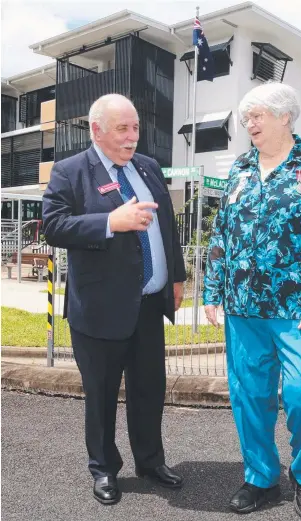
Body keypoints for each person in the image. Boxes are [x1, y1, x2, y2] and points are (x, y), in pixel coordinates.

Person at [204, 82, 301, 519]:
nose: (250, 124)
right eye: (246, 118)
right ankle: (261, 477)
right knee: (249, 396)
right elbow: (221, 231)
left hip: (298, 311)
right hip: (244, 309)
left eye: (257, 116)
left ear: (285, 117)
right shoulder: (241, 167)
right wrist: (212, 290)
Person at [42, 94, 186, 505]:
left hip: (147, 306)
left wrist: (175, 277)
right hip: (100, 311)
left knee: (149, 389)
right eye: (122, 129)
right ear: (97, 130)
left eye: (136, 127)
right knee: (102, 395)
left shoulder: (148, 167)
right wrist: (110, 221)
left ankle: (150, 461)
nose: (132, 137)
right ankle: (104, 469)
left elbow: (167, 227)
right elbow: (53, 226)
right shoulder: (70, 172)